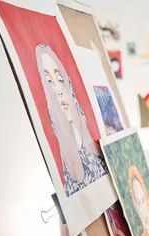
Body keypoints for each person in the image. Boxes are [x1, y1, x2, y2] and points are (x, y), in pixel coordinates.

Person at [36, 44, 107, 197]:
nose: (59, 90)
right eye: (49, 81)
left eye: (60, 79)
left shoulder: (97, 147)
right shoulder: (68, 170)